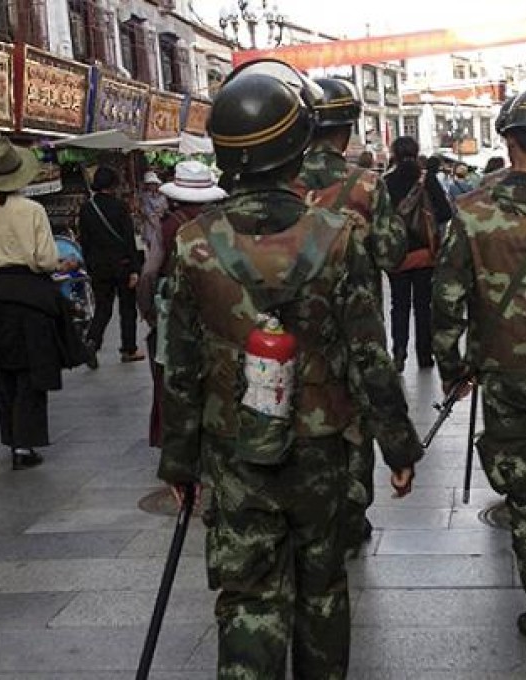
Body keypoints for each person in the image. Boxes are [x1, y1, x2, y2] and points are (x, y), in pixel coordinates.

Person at [157, 72, 422, 678]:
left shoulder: (195, 245)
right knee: (323, 586)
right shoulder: (337, 238)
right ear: (297, 148)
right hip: (320, 446)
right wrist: (397, 444)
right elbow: (367, 352)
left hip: (234, 450)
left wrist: (179, 461)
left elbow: (179, 367)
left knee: (249, 593)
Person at [432, 87, 526, 649]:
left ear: (509, 139)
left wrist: (453, 366)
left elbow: (446, 299)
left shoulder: (470, 213)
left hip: (504, 377)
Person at [292, 75, 408, 551]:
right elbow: (392, 254)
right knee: (356, 413)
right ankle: (353, 509)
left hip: (293, 326)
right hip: (356, 325)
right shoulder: (366, 185)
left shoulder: (287, 183)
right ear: (349, 127)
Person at [0, 137, 74, 470]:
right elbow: (47, 259)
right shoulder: (32, 210)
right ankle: (25, 444)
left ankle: (12, 441)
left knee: (1, 374)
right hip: (29, 298)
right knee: (30, 375)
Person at [137, 160, 226, 448]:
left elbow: (150, 272)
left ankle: (172, 437)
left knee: (169, 373)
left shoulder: (166, 226)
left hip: (173, 311)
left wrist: (147, 310)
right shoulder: (219, 223)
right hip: (214, 309)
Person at [384, 136, 452, 371]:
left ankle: (399, 351)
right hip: (425, 254)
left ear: (393, 153)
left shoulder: (386, 182)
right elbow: (445, 212)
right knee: (423, 306)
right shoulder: (427, 180)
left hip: (398, 255)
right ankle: (425, 354)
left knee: (399, 305)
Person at [79, 166, 144, 364]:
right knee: (127, 308)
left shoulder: (87, 209)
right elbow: (128, 240)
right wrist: (134, 268)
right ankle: (128, 349)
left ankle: (92, 341)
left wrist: (89, 266)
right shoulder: (119, 206)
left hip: (99, 267)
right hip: (122, 265)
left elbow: (85, 241)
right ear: (113, 184)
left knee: (103, 307)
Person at [138, 170, 168, 253]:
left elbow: (165, 207)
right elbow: (147, 212)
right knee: (151, 248)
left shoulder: (162, 195)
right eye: (150, 184)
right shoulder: (144, 197)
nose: (152, 186)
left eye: (153, 183)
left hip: (162, 222)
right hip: (150, 225)